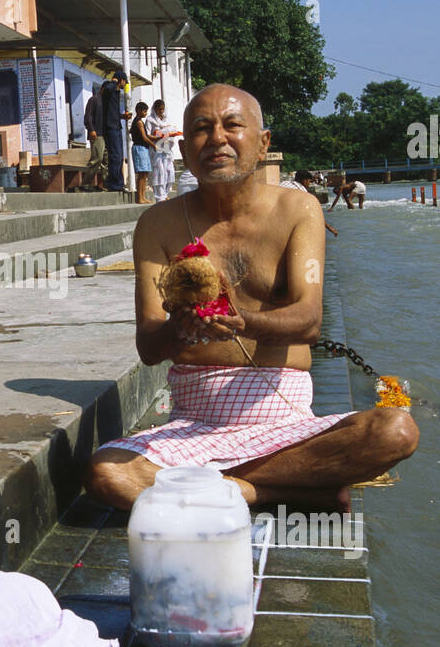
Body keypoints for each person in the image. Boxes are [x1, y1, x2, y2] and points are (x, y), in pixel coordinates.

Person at [85, 84, 418, 513]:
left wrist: (244, 322)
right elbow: (149, 347)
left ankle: (216, 488)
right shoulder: (157, 223)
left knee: (395, 432)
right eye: (202, 129)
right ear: (186, 151)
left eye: (232, 125)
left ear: (263, 144)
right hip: (196, 424)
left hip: (284, 421)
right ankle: (281, 489)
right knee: (106, 472)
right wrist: (179, 331)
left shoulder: (298, 209)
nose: (217, 138)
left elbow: (308, 322)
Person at [100, 70, 131, 192]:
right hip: (110, 127)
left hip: (117, 126)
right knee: (115, 156)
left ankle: (118, 183)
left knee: (119, 156)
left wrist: (123, 116)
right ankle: (113, 183)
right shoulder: (110, 87)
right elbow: (106, 88)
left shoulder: (115, 92)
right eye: (124, 83)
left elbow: (112, 112)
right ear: (121, 80)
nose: (124, 86)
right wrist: (114, 83)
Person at [281, 170, 338, 237]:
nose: (309, 184)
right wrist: (330, 228)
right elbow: (315, 213)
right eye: (309, 181)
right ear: (304, 181)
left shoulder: (284, 183)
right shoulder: (303, 192)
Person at [145, 99, 179, 202]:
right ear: (155, 109)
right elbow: (147, 135)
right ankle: (159, 196)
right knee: (159, 171)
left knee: (169, 171)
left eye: (162, 109)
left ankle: (166, 193)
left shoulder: (166, 119)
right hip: (156, 148)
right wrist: (158, 136)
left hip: (166, 148)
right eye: (159, 109)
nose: (161, 111)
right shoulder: (150, 119)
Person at [130, 101, 157, 204]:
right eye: (145, 111)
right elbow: (144, 137)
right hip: (139, 148)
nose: (146, 113)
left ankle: (143, 196)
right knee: (141, 174)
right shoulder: (138, 122)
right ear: (139, 110)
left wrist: (157, 137)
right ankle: (140, 197)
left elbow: (147, 135)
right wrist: (154, 145)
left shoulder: (140, 122)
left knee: (145, 174)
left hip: (143, 149)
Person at [84, 83, 106, 190]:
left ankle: (104, 185)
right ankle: (86, 183)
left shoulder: (108, 102)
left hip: (107, 134)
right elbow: (88, 116)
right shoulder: (94, 100)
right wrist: (91, 129)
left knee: (107, 161)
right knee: (97, 158)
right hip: (97, 134)